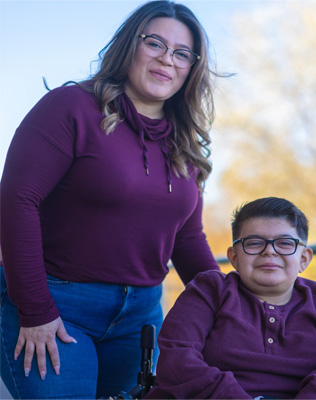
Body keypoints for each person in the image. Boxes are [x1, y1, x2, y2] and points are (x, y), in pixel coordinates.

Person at [0, 1, 221, 398]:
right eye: (154, 43)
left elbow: (187, 240)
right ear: (128, 46)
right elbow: (17, 201)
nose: (166, 59)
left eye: (181, 53)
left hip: (141, 319)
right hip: (56, 305)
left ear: (192, 67)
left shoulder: (184, 141)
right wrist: (35, 310)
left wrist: (233, 309)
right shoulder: (71, 108)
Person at [146, 197, 316, 399]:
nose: (269, 252)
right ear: (234, 257)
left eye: (284, 243)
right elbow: (177, 358)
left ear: (304, 258)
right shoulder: (209, 291)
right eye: (254, 243)